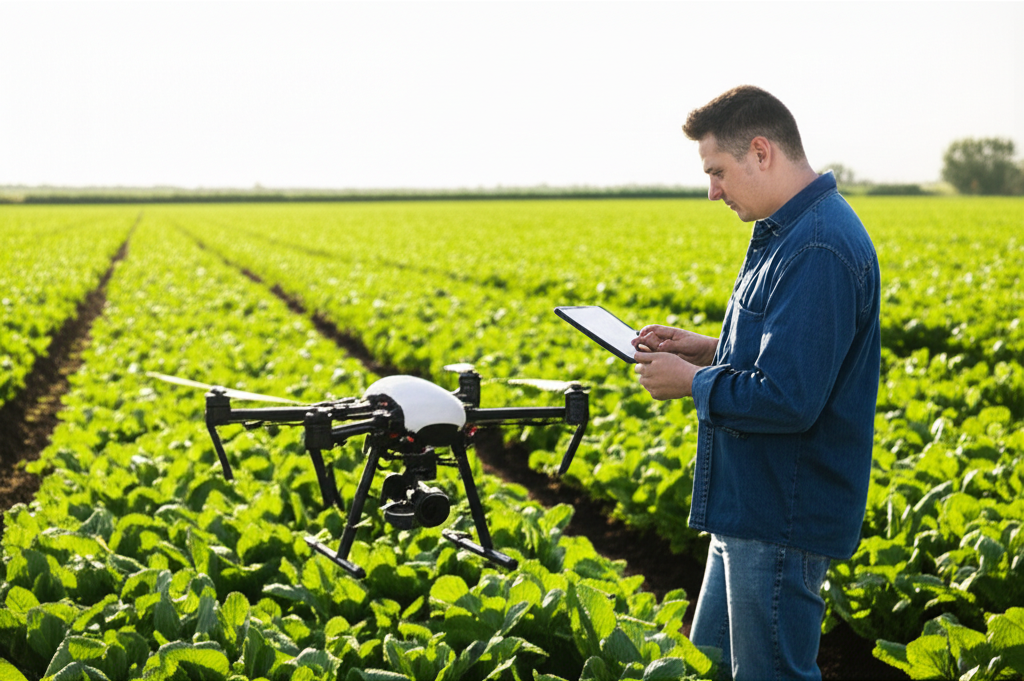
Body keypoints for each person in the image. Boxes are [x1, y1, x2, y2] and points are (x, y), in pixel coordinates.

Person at [631, 85, 881, 680]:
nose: (712, 190)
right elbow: (783, 356)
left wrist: (692, 383)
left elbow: (789, 399)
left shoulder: (817, 244)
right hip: (749, 506)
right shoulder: (788, 230)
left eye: (717, 171)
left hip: (780, 512)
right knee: (709, 665)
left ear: (761, 152)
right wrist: (704, 349)